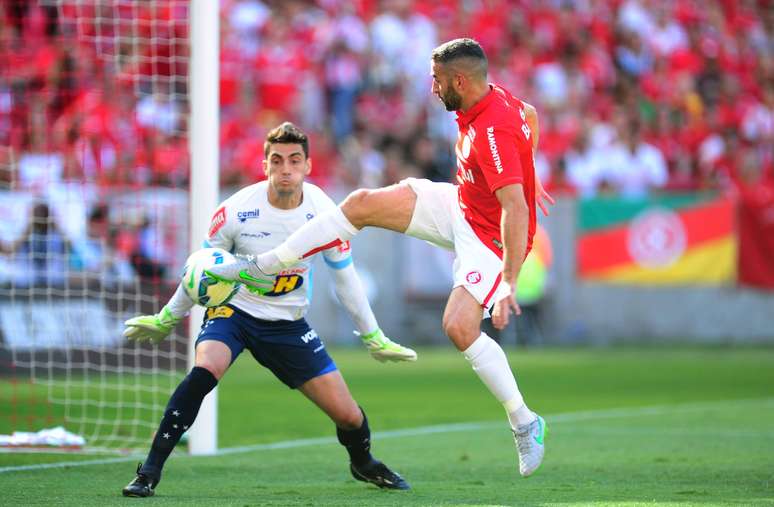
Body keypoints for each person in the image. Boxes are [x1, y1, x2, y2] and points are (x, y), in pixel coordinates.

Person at [214, 38, 553, 478]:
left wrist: (508, 279)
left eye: (436, 81)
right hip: (461, 205)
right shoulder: (496, 98)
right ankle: (267, 264)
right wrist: (531, 173)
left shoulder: (493, 130)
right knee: (361, 203)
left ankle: (524, 420)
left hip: (491, 238)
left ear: (460, 81)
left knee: (458, 326)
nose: (432, 88)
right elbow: (531, 115)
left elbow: (516, 209)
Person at [121, 122, 416, 497]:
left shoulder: (325, 212)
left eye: (294, 160)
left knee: (348, 416)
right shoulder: (235, 210)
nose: (286, 169)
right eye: (277, 161)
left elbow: (345, 277)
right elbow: (201, 270)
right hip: (235, 314)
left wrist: (372, 334)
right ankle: (149, 471)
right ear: (265, 165)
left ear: (308, 166)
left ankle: (363, 463)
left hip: (288, 324)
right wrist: (167, 317)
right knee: (204, 369)